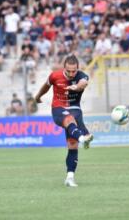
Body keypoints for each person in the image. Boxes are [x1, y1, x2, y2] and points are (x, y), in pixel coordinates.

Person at [34, 54, 93, 187]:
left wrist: (76, 87)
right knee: (70, 120)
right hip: (59, 108)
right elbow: (46, 86)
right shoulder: (55, 76)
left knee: (72, 145)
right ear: (63, 68)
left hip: (75, 109)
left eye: (74, 71)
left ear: (78, 68)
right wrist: (38, 96)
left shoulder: (82, 76)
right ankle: (82, 138)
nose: (72, 74)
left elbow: (83, 83)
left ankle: (70, 177)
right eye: (69, 71)